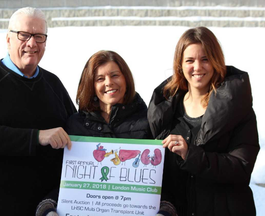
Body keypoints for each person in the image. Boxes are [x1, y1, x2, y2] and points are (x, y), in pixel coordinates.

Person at [147, 26, 260, 216]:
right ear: (180, 66)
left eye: (205, 59)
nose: (197, 67)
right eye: (190, 60)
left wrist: (191, 155)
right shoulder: (165, 110)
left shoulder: (237, 107)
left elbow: (241, 167)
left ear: (216, 62)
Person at [0, 7, 76, 216]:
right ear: (8, 39)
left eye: (39, 37)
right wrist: (36, 137)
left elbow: (76, 131)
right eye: (24, 35)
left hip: (47, 208)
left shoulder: (53, 83)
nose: (32, 43)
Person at [35, 50, 152, 216]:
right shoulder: (74, 125)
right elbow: (64, 183)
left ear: (126, 78)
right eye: (100, 79)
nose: (109, 83)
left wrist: (164, 211)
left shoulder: (147, 122)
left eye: (115, 75)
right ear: (91, 85)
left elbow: (159, 184)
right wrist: (48, 208)